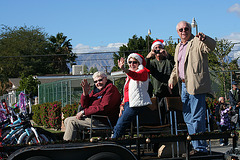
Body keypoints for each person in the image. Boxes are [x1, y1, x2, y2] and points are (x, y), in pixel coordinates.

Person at [168, 21, 216, 156]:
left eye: (186, 28)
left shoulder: (198, 42)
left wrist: (205, 39)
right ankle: (195, 145)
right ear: (177, 32)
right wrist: (172, 79)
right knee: (188, 116)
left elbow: (212, 47)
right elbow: (177, 66)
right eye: (181, 30)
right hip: (183, 85)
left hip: (196, 85)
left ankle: (200, 148)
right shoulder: (178, 46)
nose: (184, 31)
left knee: (197, 116)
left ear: (190, 29)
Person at [63, 71, 121, 141]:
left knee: (72, 122)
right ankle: (77, 142)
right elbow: (84, 105)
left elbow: (103, 107)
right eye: (95, 81)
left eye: (100, 80)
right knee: (67, 120)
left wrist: (84, 112)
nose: (98, 83)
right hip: (94, 118)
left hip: (104, 120)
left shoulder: (111, 89)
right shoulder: (95, 91)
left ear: (105, 79)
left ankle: (66, 145)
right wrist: (85, 93)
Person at [112, 53, 152, 138]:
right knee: (121, 125)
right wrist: (122, 105)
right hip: (127, 104)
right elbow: (126, 93)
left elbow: (136, 76)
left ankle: (113, 142)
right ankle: (118, 144)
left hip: (136, 104)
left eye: (134, 62)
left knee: (120, 125)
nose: (132, 64)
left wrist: (123, 69)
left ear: (139, 63)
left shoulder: (143, 72)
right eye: (130, 62)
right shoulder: (128, 76)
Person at [146, 39, 178, 124]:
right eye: (155, 48)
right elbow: (146, 69)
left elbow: (176, 64)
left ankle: (173, 127)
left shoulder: (168, 60)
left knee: (173, 111)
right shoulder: (153, 63)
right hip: (159, 91)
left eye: (159, 47)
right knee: (160, 112)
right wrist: (148, 58)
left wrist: (168, 55)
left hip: (171, 90)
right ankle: (163, 128)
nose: (158, 50)